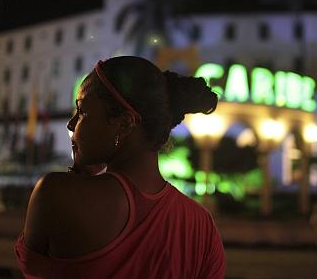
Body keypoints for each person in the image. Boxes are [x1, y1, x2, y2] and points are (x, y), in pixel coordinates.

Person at [15, 56, 226, 278]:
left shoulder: (56, 194)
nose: (71, 124)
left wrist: (77, 178)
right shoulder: (202, 227)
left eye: (82, 111)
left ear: (124, 123)